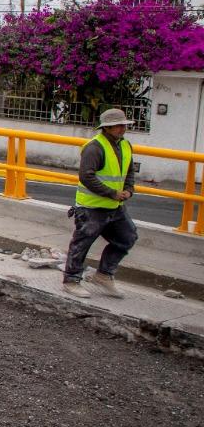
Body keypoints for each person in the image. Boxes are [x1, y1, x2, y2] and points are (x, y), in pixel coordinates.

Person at [62, 108, 138, 299]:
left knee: (127, 238)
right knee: (82, 243)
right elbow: (86, 177)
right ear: (107, 128)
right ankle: (71, 280)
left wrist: (129, 189)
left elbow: (129, 171)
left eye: (123, 125)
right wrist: (112, 193)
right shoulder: (94, 147)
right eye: (118, 125)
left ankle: (104, 275)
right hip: (92, 207)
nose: (122, 128)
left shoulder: (125, 145)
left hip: (114, 206)